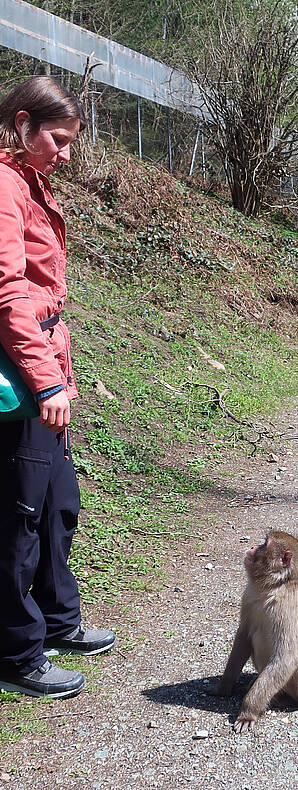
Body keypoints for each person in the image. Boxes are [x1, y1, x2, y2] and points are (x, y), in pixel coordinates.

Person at [0, 76, 115, 699]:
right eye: (58, 139)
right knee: (18, 519)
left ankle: (59, 621)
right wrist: (45, 383)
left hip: (47, 360)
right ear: (22, 124)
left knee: (55, 505)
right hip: (20, 377)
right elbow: (8, 294)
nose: (66, 154)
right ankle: (18, 652)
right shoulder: (3, 186)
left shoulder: (29, 182)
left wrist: (58, 372)